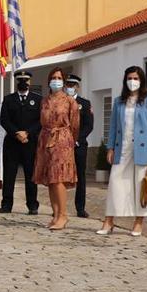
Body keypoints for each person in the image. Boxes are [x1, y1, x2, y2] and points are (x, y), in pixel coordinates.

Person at [97, 66, 147, 237]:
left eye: (136, 78)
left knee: (142, 185)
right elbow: (113, 127)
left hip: (144, 149)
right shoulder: (119, 101)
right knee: (115, 183)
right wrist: (110, 147)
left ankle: (139, 222)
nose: (132, 81)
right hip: (122, 147)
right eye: (129, 78)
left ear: (141, 81)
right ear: (125, 80)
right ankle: (109, 220)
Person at [32, 67, 80, 230]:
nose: (56, 80)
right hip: (45, 138)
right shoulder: (44, 100)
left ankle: (63, 215)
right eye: (53, 77)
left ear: (64, 81)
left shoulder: (69, 101)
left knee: (59, 177)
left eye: (59, 78)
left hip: (62, 140)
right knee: (50, 179)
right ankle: (56, 213)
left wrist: (69, 140)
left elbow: (75, 125)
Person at [0, 70, 42, 215]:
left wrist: (27, 132)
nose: (23, 83)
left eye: (26, 80)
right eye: (20, 80)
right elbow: (4, 120)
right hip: (12, 142)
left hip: (30, 142)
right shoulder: (9, 99)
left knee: (31, 175)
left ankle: (32, 205)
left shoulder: (37, 99)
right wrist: (16, 133)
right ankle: (6, 204)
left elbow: (40, 121)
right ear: (17, 82)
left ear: (29, 82)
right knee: (9, 175)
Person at [65, 74, 94, 218]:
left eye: (73, 85)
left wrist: (77, 139)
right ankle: (59, 207)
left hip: (79, 145)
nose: (70, 87)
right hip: (62, 145)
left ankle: (80, 208)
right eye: (68, 85)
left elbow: (89, 126)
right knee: (61, 177)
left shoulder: (85, 103)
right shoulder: (60, 102)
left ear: (77, 87)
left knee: (80, 177)